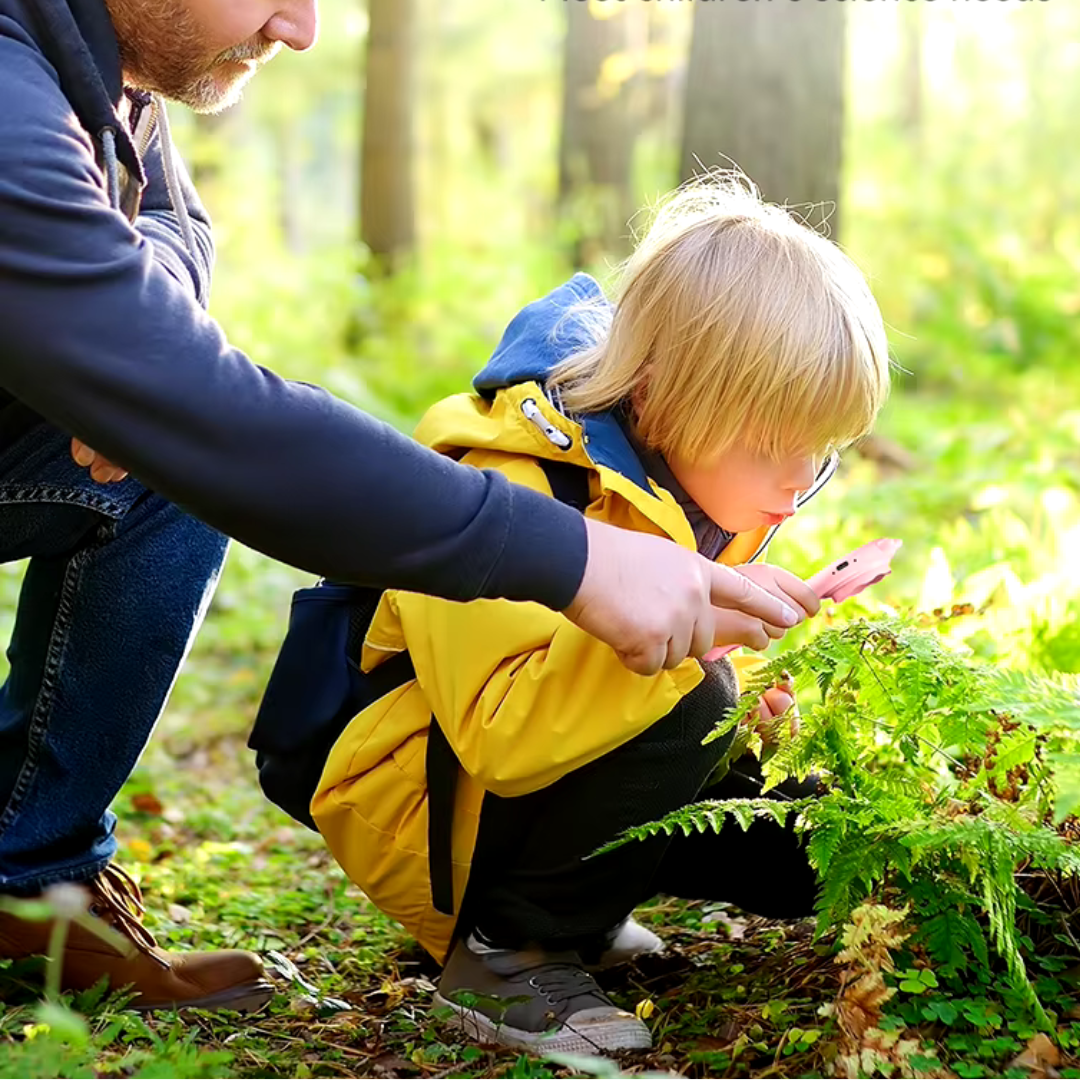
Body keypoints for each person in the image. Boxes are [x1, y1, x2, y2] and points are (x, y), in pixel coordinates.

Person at [0, 0, 805, 1013]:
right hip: (426, 808)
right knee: (195, 443)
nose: (301, 27)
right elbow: (225, 422)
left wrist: (120, 342)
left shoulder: (100, 65)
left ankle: (33, 890)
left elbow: (171, 219)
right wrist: (582, 562)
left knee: (169, 464)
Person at [300, 178, 892, 1052]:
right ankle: (508, 955)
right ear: (659, 397)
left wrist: (760, 704)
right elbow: (501, 735)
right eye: (772, 446)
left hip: (539, 771)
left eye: (822, 449)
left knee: (806, 836)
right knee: (691, 693)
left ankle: (578, 910)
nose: (796, 482)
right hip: (424, 800)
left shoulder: (691, 481)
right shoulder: (506, 485)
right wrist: (707, 653)